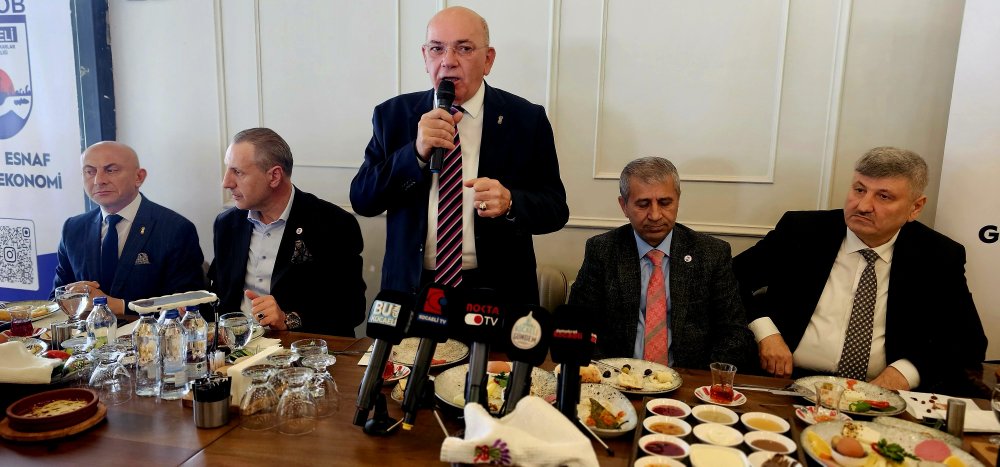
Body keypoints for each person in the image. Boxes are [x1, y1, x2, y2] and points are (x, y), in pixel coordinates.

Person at [350, 6, 568, 304]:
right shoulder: (393, 116)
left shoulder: (526, 119)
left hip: (496, 291)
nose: (448, 61)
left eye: (464, 48)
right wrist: (414, 153)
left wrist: (511, 202)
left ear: (488, 59)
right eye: (437, 49)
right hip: (413, 289)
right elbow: (363, 200)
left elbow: (556, 209)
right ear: (425, 57)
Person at [733, 147, 987, 395]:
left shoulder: (938, 255)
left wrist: (905, 372)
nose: (863, 205)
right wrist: (766, 333)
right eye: (859, 190)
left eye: (883, 196)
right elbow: (730, 279)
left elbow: (969, 342)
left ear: (915, 207)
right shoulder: (801, 231)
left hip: (880, 393)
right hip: (788, 381)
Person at [568, 157, 755, 369]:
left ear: (678, 200)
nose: (655, 215)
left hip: (689, 378)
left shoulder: (711, 253)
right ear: (624, 205)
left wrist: (702, 379)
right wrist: (608, 373)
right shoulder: (602, 250)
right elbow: (577, 325)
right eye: (643, 204)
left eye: (665, 203)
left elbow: (734, 333)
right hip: (617, 376)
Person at [209, 128, 366, 336]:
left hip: (301, 348)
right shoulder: (227, 224)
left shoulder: (333, 224)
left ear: (274, 176)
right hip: (236, 346)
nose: (226, 182)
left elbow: (352, 308)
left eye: (238, 172)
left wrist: (287, 319)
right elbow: (219, 294)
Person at [52, 141, 205, 315]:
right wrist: (71, 298)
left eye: (111, 170)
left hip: (147, 331)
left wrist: (120, 306)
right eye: (90, 172)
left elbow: (189, 306)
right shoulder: (73, 229)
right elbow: (55, 299)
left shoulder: (175, 229)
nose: (99, 180)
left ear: (139, 177)